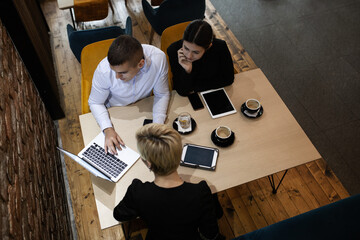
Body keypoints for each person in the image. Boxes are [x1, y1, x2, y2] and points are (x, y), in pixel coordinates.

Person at [113, 124, 221, 240]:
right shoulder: (201, 192)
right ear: (179, 157)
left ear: (148, 163)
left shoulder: (138, 192)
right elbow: (210, 233)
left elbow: (119, 214)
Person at [88, 35, 170, 154]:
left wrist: (158, 126)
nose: (116, 77)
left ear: (141, 64)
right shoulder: (103, 70)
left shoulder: (158, 59)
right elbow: (95, 102)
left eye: (122, 72)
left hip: (143, 109)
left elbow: (162, 94)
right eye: (114, 71)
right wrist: (107, 129)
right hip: (115, 114)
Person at [167, 19, 234, 96]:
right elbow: (181, 91)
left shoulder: (220, 47)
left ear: (208, 47)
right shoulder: (173, 50)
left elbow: (228, 79)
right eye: (186, 48)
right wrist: (188, 71)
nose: (189, 56)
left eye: (196, 52)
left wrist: (194, 88)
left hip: (214, 94)